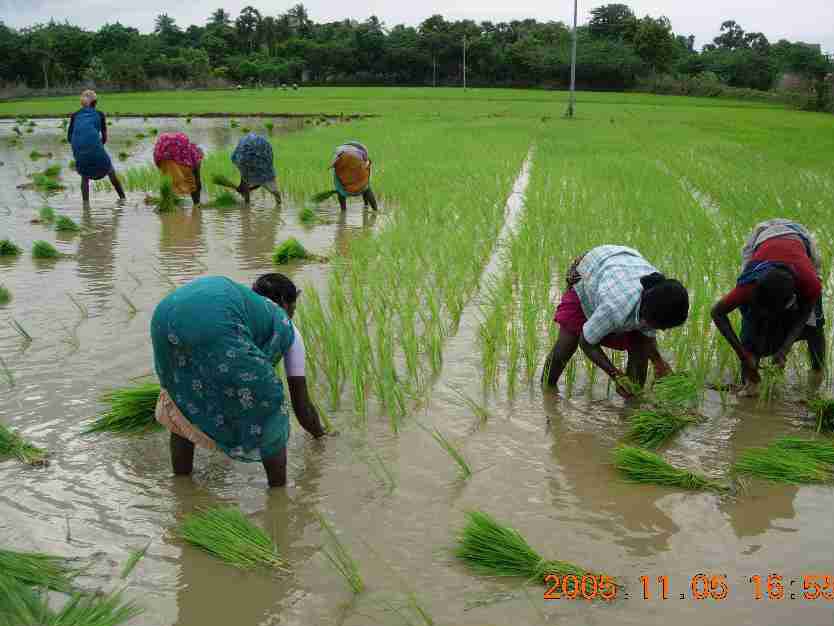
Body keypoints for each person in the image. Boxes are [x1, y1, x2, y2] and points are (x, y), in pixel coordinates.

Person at [150, 273, 326, 487]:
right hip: (214, 325)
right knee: (271, 402)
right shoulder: (286, 326)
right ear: (284, 303)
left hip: (163, 317)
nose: (291, 317)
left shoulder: (241, 304)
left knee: (183, 399)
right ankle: (278, 495)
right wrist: (321, 434)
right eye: (293, 310)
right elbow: (301, 406)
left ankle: (181, 483)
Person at [542, 245, 689, 397]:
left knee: (640, 348)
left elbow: (647, 338)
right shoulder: (615, 307)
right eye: (661, 326)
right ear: (648, 314)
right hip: (589, 272)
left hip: (621, 265)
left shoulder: (658, 294)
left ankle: (632, 404)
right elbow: (586, 341)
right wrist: (616, 375)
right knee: (567, 342)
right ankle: (546, 393)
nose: (663, 330)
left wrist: (659, 363)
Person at [711, 219, 824, 396]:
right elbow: (716, 312)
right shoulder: (749, 285)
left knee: (815, 327)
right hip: (763, 236)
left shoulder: (810, 284)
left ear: (792, 300)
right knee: (752, 323)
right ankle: (749, 380)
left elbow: (804, 315)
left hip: (799, 238)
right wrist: (744, 354)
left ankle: (818, 372)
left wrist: (784, 349)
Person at [68, 90, 126, 207]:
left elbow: (70, 138)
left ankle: (86, 206)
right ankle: (123, 199)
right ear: (95, 103)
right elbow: (104, 138)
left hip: (79, 151)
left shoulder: (74, 116)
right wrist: (96, 146)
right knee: (110, 170)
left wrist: (81, 147)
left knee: (84, 176)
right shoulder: (100, 115)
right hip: (95, 148)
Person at [153, 132, 203, 206]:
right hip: (171, 149)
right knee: (192, 182)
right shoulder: (194, 156)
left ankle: (168, 203)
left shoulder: (189, 152)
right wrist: (197, 202)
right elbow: (197, 182)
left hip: (163, 151)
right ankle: (196, 204)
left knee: (167, 181)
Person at [231, 132, 281, 206]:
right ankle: (278, 204)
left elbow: (259, 183)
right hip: (256, 168)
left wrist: (247, 189)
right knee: (273, 189)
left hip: (260, 170)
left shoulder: (246, 158)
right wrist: (244, 189)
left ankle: (247, 205)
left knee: (272, 189)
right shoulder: (245, 159)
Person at [331, 141, 378, 211]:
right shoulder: (360, 153)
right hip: (358, 174)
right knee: (366, 189)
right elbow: (367, 163)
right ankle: (374, 209)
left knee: (341, 192)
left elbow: (334, 166)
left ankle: (343, 210)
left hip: (349, 176)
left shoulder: (341, 154)